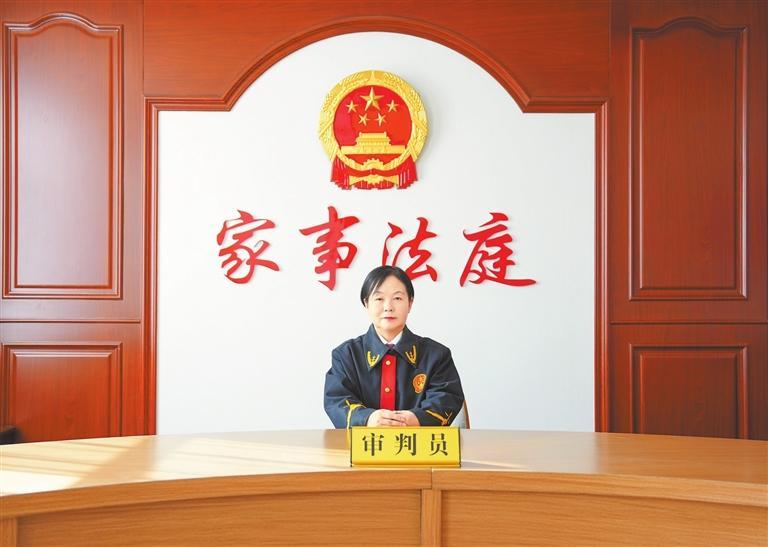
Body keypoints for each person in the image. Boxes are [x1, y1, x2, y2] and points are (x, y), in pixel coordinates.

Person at [324, 265, 464, 428]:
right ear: (366, 304)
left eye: (397, 298)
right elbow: (336, 400)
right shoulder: (346, 355)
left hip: (418, 443)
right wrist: (367, 419)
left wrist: (416, 419)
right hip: (364, 444)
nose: (388, 307)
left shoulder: (437, 355)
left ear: (410, 303)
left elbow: (447, 398)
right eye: (379, 299)